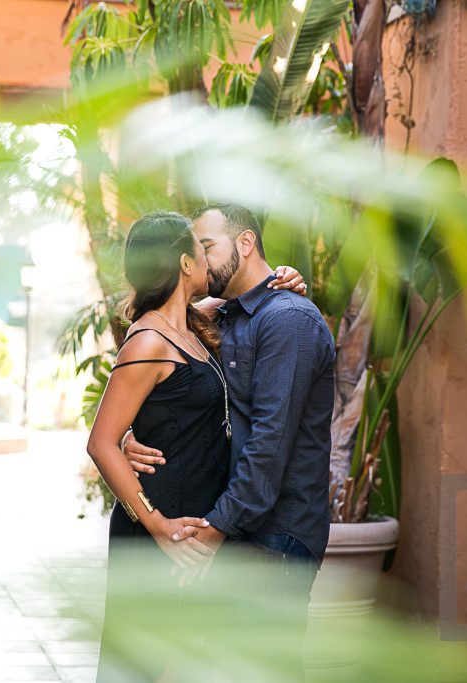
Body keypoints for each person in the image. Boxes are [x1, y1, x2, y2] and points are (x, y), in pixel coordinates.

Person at [85, 210, 307, 682]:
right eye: (201, 248)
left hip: (192, 529)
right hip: (161, 530)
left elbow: (249, 298)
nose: (209, 257)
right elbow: (102, 442)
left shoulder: (193, 325)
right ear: (186, 264)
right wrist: (157, 524)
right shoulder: (146, 339)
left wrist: (282, 279)